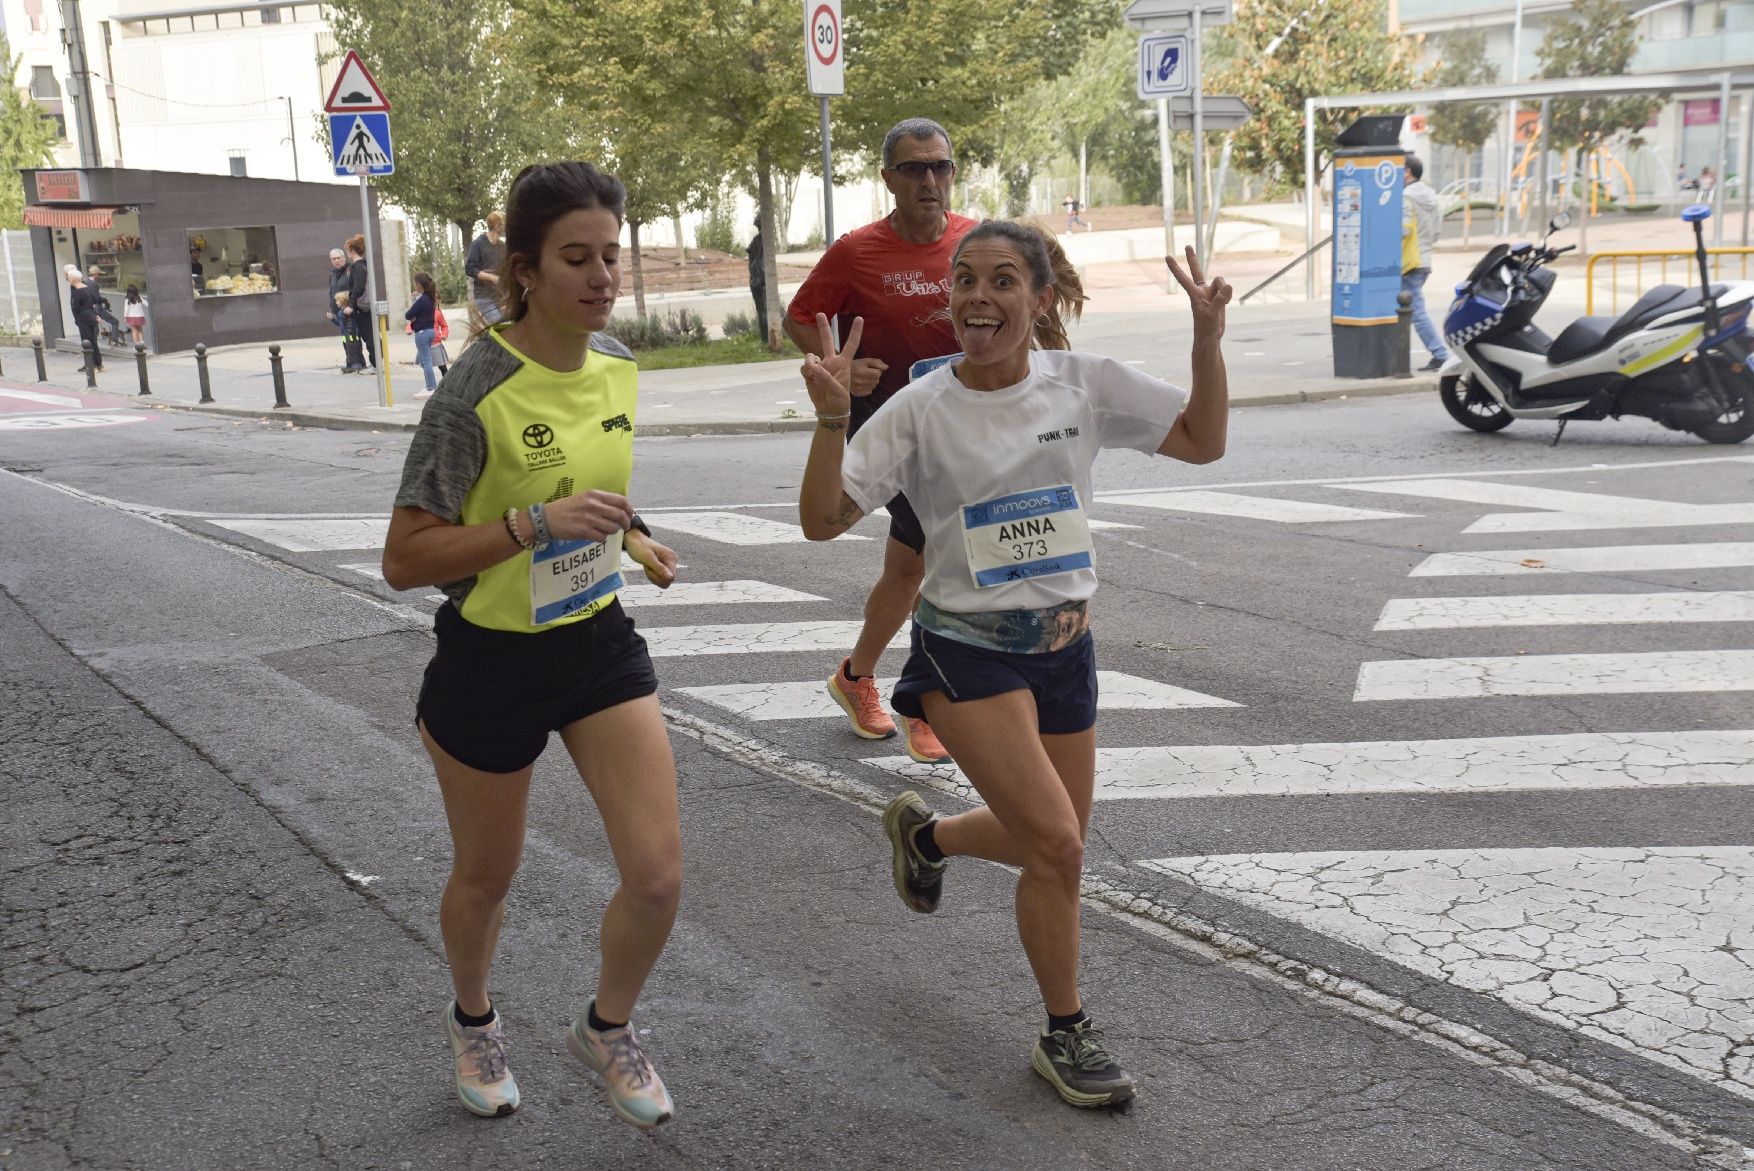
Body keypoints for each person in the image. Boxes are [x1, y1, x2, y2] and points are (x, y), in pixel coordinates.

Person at [797, 222, 1230, 1109]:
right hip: (965, 651)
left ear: (1040, 298)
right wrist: (834, 416)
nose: (977, 298)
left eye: (1001, 281)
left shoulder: (1086, 383)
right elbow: (821, 519)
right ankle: (1065, 1032)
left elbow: (1201, 440)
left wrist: (1207, 343)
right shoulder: (920, 408)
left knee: (1052, 847)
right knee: (1060, 844)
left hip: (1067, 649)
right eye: (964, 281)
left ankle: (929, 834)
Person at [382, 160, 683, 1130]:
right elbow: (403, 557)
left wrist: (631, 534)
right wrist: (527, 526)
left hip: (593, 640)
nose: (600, 278)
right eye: (575, 259)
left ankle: (606, 1027)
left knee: (656, 872)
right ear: (523, 269)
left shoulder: (618, 363)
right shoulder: (472, 392)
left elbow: (594, 489)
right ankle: (474, 1018)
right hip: (489, 661)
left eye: (610, 256)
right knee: (486, 876)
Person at [784, 116, 977, 764]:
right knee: (944, 555)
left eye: (940, 166)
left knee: (909, 567)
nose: (930, 179)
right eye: (914, 168)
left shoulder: (975, 242)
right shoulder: (856, 252)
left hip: (959, 428)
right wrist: (840, 363)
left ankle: (855, 675)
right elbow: (801, 316)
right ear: (889, 178)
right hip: (887, 424)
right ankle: (924, 700)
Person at [1401, 155, 1448, 372]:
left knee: (1415, 312)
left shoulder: (1405, 197)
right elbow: (1437, 231)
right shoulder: (1431, 197)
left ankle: (1440, 354)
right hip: (1425, 259)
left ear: (1408, 172)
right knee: (1406, 310)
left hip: (1409, 260)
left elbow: (1403, 230)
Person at [466, 211, 506, 327]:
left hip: (500, 296)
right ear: (498, 226)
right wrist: (492, 278)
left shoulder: (502, 246)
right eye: (503, 225)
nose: (504, 228)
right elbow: (470, 268)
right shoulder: (478, 244)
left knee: (507, 327)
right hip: (484, 297)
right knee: (499, 327)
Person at [406, 271, 440, 399]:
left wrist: (414, 317)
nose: (414, 285)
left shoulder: (422, 300)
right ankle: (430, 386)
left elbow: (408, 315)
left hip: (422, 333)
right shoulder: (430, 298)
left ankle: (431, 388)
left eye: (415, 283)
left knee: (426, 361)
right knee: (426, 360)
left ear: (419, 284)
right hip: (430, 331)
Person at [345, 234, 376, 372]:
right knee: (371, 335)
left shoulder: (357, 267)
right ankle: (377, 363)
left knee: (369, 336)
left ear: (352, 250)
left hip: (362, 308)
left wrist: (351, 305)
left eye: (347, 251)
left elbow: (358, 288)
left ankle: (376, 364)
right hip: (366, 306)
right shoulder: (363, 265)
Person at [326, 248, 360, 372]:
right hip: (338, 310)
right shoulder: (332, 273)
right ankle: (349, 361)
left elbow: (356, 289)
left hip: (350, 311)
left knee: (352, 337)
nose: (336, 261)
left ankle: (357, 362)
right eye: (333, 259)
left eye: (338, 258)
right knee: (345, 338)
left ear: (343, 257)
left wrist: (350, 305)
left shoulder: (350, 270)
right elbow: (332, 290)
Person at [65, 265, 104, 371]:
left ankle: (91, 365)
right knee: (93, 341)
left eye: (68, 277)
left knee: (87, 342)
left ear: (72, 279)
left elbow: (75, 308)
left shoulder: (77, 292)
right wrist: (95, 315)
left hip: (84, 319)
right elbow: (92, 303)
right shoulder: (87, 288)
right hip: (91, 317)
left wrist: (77, 319)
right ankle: (98, 364)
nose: (68, 279)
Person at [746, 220, 768, 343]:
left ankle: (766, 338)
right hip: (761, 279)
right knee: (763, 309)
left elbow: (751, 255)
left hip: (759, 280)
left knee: (762, 310)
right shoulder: (765, 239)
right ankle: (766, 337)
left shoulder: (759, 240)